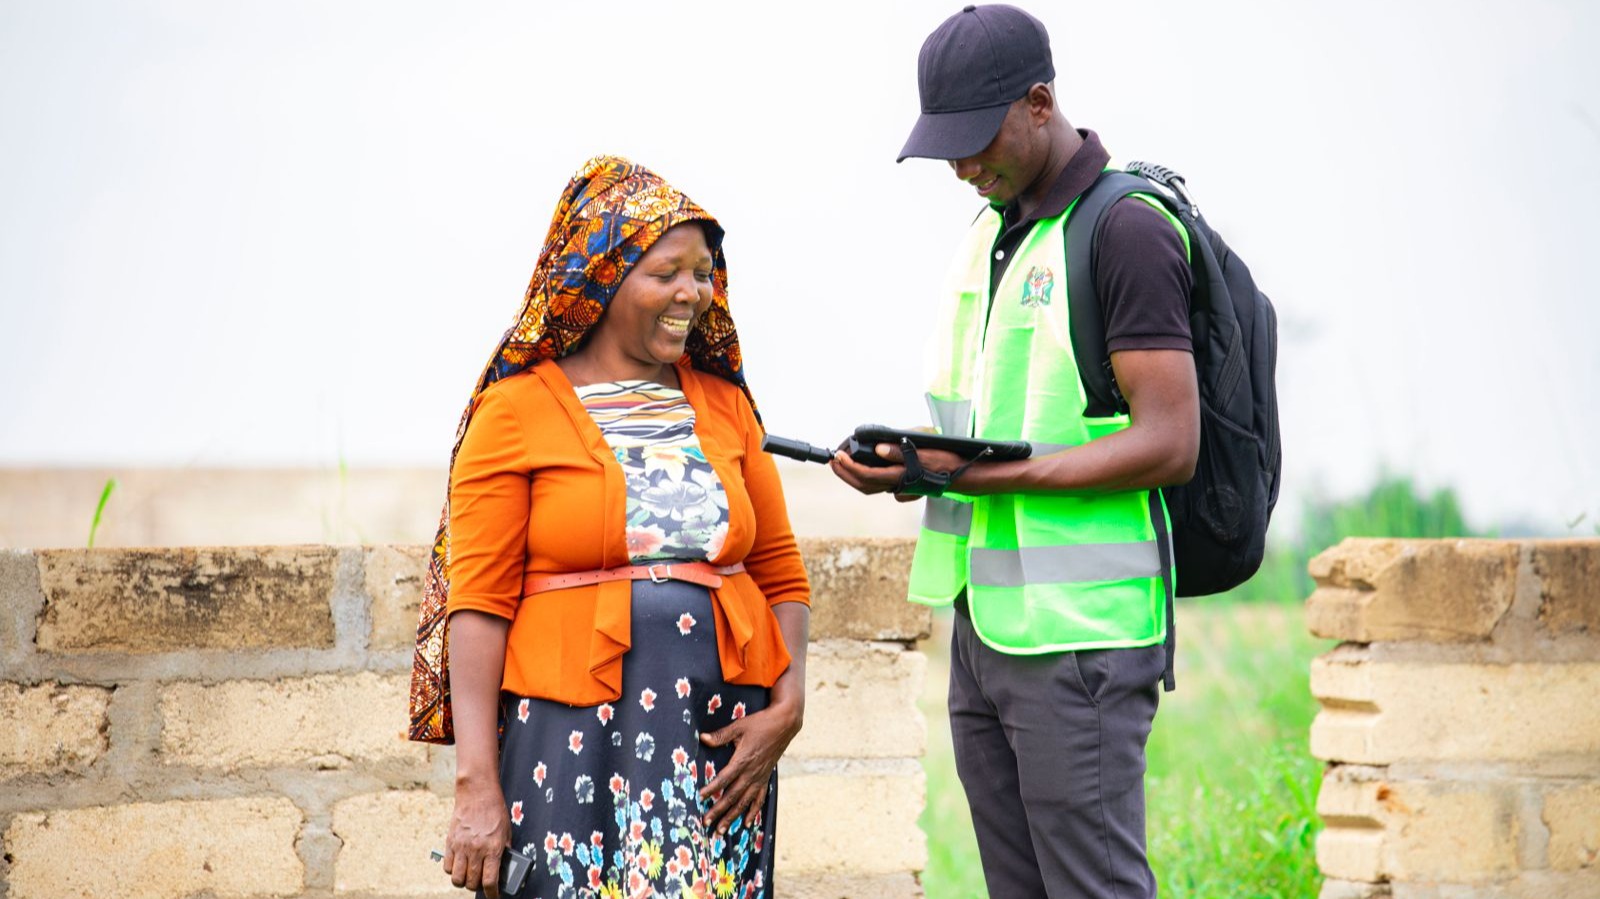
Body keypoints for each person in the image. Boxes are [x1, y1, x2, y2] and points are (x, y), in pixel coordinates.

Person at [829, 5, 1200, 898]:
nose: (961, 166)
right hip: (987, 626)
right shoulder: (994, 232)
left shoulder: (1125, 230)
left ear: (1039, 103)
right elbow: (999, 420)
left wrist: (984, 475)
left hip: (1083, 642)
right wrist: (916, 472)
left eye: (975, 140)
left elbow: (1170, 442)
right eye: (944, 146)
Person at [430, 156, 811, 898]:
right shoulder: (516, 411)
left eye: (702, 272)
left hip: (720, 746)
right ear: (603, 277)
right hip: (569, 736)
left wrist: (788, 707)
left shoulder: (725, 405)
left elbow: (782, 573)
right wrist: (476, 783)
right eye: (666, 272)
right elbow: (477, 605)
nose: (691, 293)